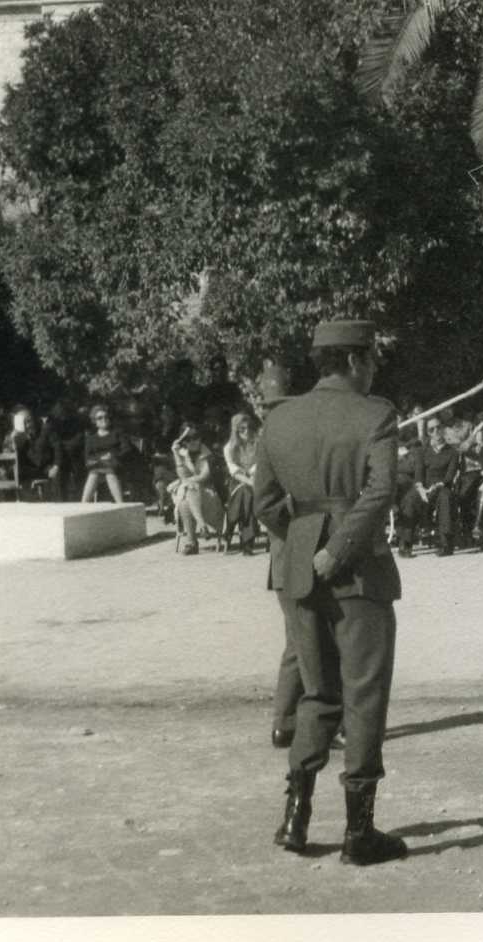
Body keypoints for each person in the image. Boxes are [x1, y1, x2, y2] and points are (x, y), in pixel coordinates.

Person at [254, 318, 407, 866]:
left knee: (317, 693)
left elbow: (265, 503)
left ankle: (294, 820)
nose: (374, 369)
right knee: (363, 696)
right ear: (356, 360)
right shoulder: (376, 414)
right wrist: (337, 547)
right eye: (372, 359)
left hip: (298, 572)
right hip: (358, 572)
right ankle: (358, 834)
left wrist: (305, 540)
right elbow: (380, 491)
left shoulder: (279, 419)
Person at [395, 418, 459, 558]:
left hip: (441, 486)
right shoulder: (422, 451)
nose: (435, 431)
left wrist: (439, 485)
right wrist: (421, 488)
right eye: (431, 429)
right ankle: (405, 543)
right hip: (424, 487)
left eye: (438, 427)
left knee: (445, 497)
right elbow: (418, 474)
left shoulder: (452, 452)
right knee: (410, 499)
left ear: (443, 429)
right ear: (428, 433)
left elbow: (450, 476)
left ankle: (446, 543)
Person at [170, 424, 223, 555]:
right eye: (188, 439)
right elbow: (183, 476)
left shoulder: (208, 454)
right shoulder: (183, 454)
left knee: (190, 489)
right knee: (185, 500)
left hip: (210, 500)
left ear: (200, 438)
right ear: (183, 442)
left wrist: (188, 482)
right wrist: (176, 454)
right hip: (191, 498)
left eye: (195, 437)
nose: (192, 441)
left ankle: (194, 539)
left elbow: (204, 477)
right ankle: (196, 535)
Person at [223, 412, 261, 555]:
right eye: (242, 429)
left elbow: (260, 466)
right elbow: (234, 471)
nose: (246, 432)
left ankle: (230, 525)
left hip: (257, 480)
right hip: (237, 482)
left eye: (249, 428)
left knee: (247, 494)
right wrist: (250, 482)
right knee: (246, 493)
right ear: (236, 431)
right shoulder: (229, 448)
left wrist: (253, 481)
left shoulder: (258, 444)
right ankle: (247, 541)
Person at [80, 404, 129, 503]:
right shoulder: (91, 438)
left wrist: (112, 455)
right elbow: (87, 456)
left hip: (116, 464)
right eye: (100, 418)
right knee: (94, 474)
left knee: (108, 472)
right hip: (98, 465)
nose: (104, 419)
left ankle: (120, 504)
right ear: (95, 421)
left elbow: (126, 449)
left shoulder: (117, 433)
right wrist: (100, 458)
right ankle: (84, 504)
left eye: (106, 417)